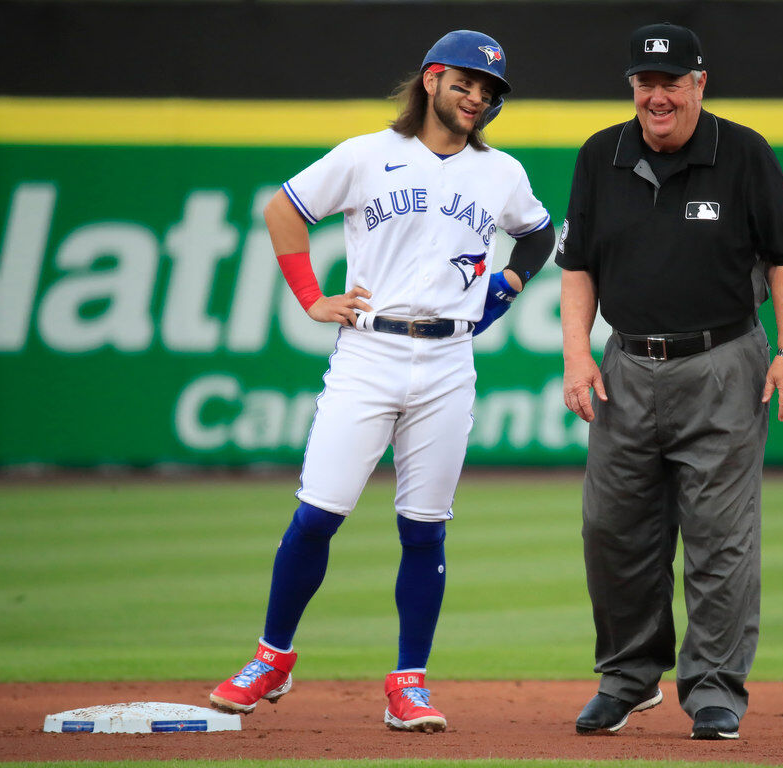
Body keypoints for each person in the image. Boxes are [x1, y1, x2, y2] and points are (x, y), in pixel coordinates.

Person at [209, 29, 554, 733]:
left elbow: (540, 234)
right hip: (369, 356)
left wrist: (510, 283)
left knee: (424, 530)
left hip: (450, 362)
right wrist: (310, 297)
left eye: (489, 92)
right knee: (318, 513)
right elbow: (284, 211)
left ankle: (409, 684)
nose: (478, 99)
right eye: (466, 83)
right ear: (431, 80)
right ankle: (272, 659)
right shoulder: (367, 155)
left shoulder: (501, 173)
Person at [557, 22, 783, 740]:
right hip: (626, 365)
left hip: (723, 362)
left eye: (671, 81)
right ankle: (629, 679)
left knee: (720, 538)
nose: (657, 95)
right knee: (612, 531)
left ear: (699, 82)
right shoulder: (600, 154)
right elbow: (578, 268)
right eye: (645, 82)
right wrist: (579, 355)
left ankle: (714, 689)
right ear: (632, 86)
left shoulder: (744, 153)